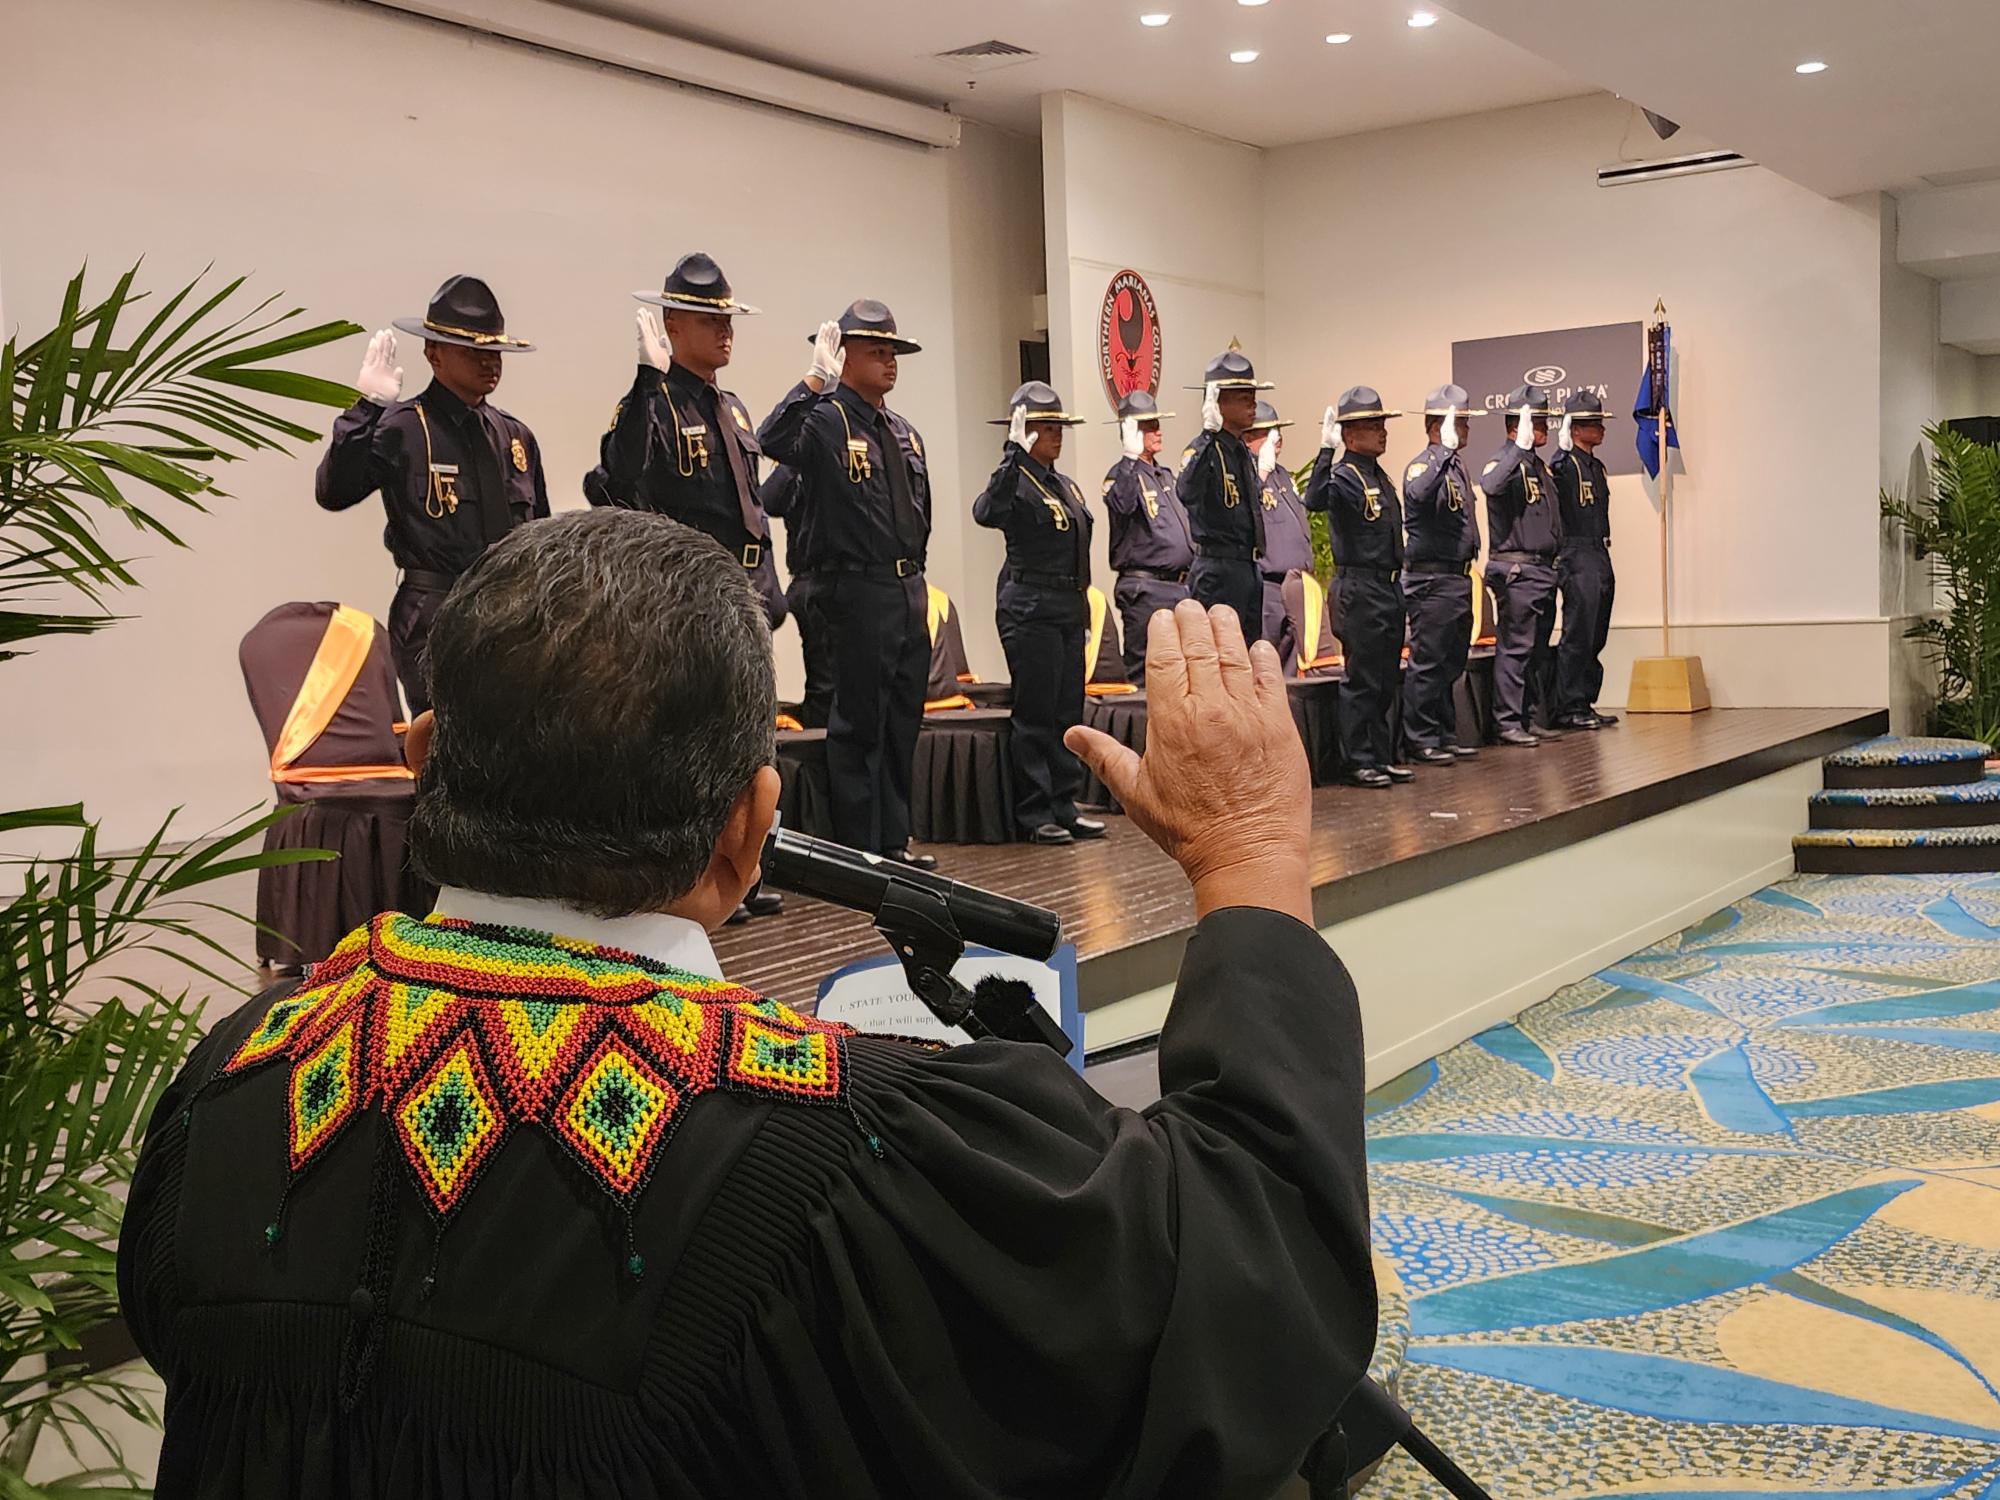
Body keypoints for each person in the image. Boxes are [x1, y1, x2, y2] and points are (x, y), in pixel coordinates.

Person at [118, 509, 1379, 1500]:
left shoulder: (230, 1085)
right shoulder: (852, 1148)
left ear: (421, 764)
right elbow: (1250, 1294)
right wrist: (1251, 855)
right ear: (749, 829)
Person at [315, 275, 547, 715]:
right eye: (473, 351)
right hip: (435, 615)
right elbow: (334, 491)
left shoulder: (515, 438)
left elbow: (540, 539)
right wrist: (366, 410)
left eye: (494, 351)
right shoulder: (404, 427)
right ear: (433, 353)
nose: (489, 362)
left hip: (510, 614)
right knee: (442, 747)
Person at [758, 301, 935, 868]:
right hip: (856, 588)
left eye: (893, 352)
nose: (889, 361)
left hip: (908, 585)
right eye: (876, 351)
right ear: (845, 355)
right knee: (859, 719)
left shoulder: (903, 431)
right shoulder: (827, 420)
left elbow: (918, 508)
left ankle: (893, 839)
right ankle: (859, 847)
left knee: (904, 715)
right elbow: (772, 440)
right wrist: (815, 382)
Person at [583, 252, 785, 629]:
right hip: (689, 598)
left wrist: (769, 590)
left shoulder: (733, 409)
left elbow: (751, 506)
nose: (725, 331)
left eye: (727, 321)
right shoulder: (654, 403)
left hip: (748, 595)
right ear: (672, 326)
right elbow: (622, 471)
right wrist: (646, 382)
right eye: (711, 321)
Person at [974, 382, 1104, 846]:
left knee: (1067, 711)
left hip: (1067, 606)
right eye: (1045, 427)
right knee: (1036, 712)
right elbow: (987, 512)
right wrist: (1011, 454)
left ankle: (1064, 804)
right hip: (1030, 607)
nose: (1056, 435)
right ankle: (1034, 811)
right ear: (1024, 431)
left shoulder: (1062, 483)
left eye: (1058, 426)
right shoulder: (1014, 480)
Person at [1305, 387, 1410, 789]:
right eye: (1372, 426)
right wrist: (1325, 453)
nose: (1382, 432)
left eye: (1382, 424)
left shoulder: (1376, 474)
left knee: (1385, 679)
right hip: (1360, 588)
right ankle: (1359, 759)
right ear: (1349, 434)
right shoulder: (1344, 475)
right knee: (1362, 678)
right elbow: (1313, 500)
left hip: (1387, 588)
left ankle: (1380, 755)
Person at [1400, 385, 1483, 764]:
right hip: (1430, 580)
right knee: (1428, 661)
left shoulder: (1456, 466)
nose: (1466, 429)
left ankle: (1444, 732)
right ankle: (1420, 738)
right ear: (1440, 424)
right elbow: (1417, 495)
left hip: (1456, 578)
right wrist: (1443, 453)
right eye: (1460, 422)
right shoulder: (1424, 464)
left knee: (1451, 662)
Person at [1478, 383, 1563, 747]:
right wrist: (1518, 448)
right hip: (1517, 571)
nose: (1545, 428)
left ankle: (1528, 715)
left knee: (1538, 650)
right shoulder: (1505, 460)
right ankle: (1508, 721)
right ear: (1519, 424)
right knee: (1515, 649)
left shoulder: (1537, 465)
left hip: (1542, 570)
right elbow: (1491, 485)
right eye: (1538, 420)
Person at [1178, 349, 1272, 643]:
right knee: (1219, 657)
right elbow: (1186, 490)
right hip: (1217, 570)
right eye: (1243, 397)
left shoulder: (1240, 449)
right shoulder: (1204, 449)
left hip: (1247, 567)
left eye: (1253, 395)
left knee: (1247, 657)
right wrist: (1208, 435)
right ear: (1218, 401)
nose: (1253, 403)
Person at [1102, 390, 1193, 685]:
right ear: (1131, 432)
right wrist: (1129, 459)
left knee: (1183, 674)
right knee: (1148, 673)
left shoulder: (1165, 476)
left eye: (1157, 423)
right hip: (1146, 589)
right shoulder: (1120, 476)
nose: (1158, 431)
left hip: (1179, 586)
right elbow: (1123, 504)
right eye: (1149, 426)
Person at [1549, 391, 1621, 732]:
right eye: (1593, 423)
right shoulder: (1564, 465)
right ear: (1575, 429)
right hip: (1576, 553)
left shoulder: (1595, 466)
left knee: (1597, 632)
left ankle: (1585, 700)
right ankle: (1569, 704)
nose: (1601, 429)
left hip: (1598, 550)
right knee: (1578, 631)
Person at [761, 463, 834, 729]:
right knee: (825, 689)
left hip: (851, 581)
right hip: (812, 580)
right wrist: (798, 455)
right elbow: (768, 500)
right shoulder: (799, 459)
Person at [1246, 402, 1313, 670]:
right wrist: (1259, 475)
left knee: (1293, 669)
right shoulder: (1248, 473)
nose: (1277, 438)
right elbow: (1245, 512)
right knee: (1265, 666)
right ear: (1249, 438)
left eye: (1278, 432)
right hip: (1268, 587)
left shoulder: (1283, 475)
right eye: (1269, 432)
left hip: (1295, 585)